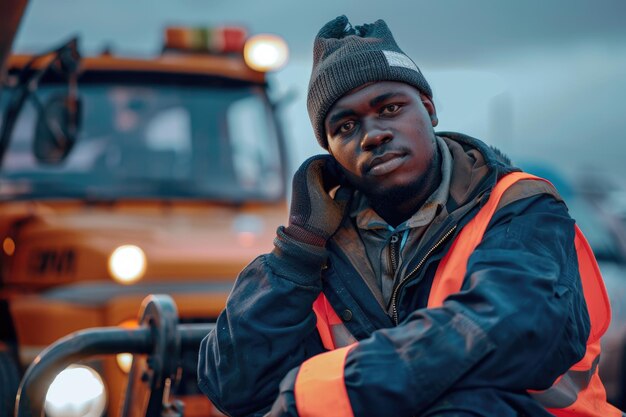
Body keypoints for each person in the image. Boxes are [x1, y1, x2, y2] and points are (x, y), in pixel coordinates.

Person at [198, 15, 622, 417]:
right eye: (345, 127)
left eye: (389, 108)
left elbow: (508, 327)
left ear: (429, 109)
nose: (373, 134)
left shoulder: (519, 208)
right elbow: (235, 386)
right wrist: (297, 251)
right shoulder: (319, 250)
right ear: (330, 154)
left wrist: (319, 391)